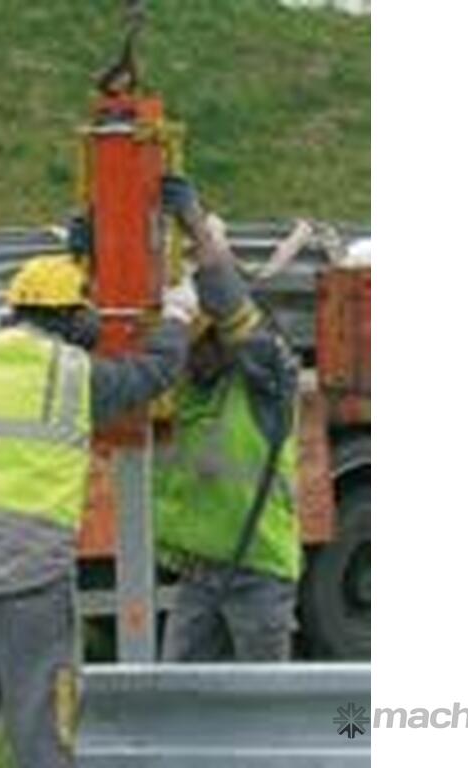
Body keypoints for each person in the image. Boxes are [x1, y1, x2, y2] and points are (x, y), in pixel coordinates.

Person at [0, 181, 202, 768]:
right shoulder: (73, 372)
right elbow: (151, 374)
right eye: (86, 311)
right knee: (42, 726)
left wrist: (81, 249)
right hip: (30, 574)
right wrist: (177, 316)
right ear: (73, 321)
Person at [154, 183, 305, 663]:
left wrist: (196, 225)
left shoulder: (268, 378)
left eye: (199, 346)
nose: (190, 359)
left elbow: (230, 303)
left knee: (261, 700)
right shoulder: (188, 390)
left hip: (258, 572)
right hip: (199, 573)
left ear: (221, 339)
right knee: (178, 695)